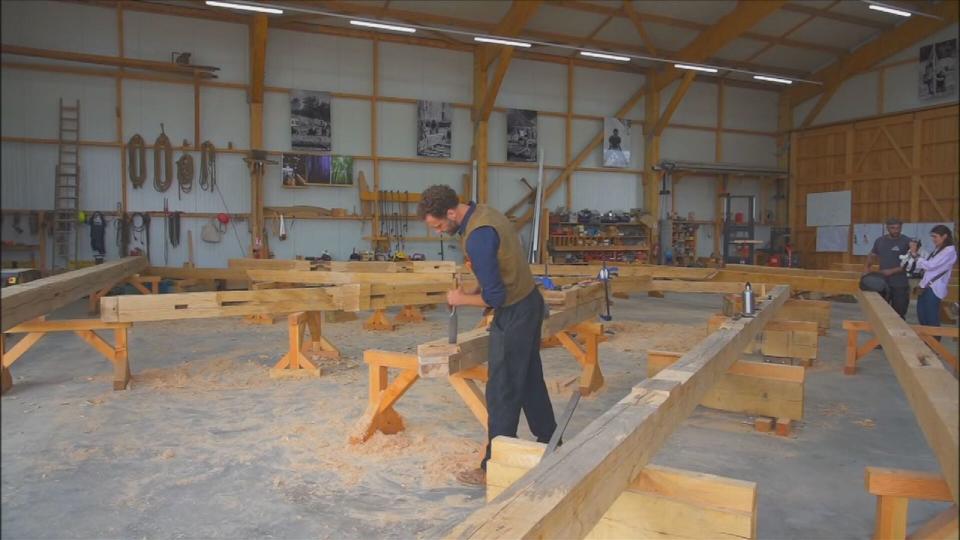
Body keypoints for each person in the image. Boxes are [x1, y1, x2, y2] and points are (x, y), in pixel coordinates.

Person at [417, 185, 556, 486]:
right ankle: (550, 439)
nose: (440, 233)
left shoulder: (478, 237)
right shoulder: (484, 212)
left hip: (516, 311)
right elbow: (499, 271)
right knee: (529, 378)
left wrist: (459, 300)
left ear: (451, 212)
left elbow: (496, 297)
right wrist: (471, 291)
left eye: (439, 226)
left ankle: (495, 465)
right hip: (529, 301)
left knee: (502, 389)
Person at [864, 218, 912, 319]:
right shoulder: (880, 240)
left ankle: (899, 333)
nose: (896, 230)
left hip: (900, 283)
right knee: (881, 311)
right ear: (887, 228)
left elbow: (910, 264)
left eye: (898, 228)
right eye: (893, 228)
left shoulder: (907, 241)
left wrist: (891, 271)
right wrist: (867, 268)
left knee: (899, 312)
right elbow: (872, 254)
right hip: (882, 283)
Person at [911, 225, 957, 328]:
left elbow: (930, 265)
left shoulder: (949, 251)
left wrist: (915, 255)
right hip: (925, 286)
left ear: (944, 236)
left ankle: (934, 342)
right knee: (922, 315)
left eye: (935, 236)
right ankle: (926, 341)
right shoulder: (938, 249)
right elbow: (927, 263)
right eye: (932, 236)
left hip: (934, 288)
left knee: (931, 318)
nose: (933, 239)